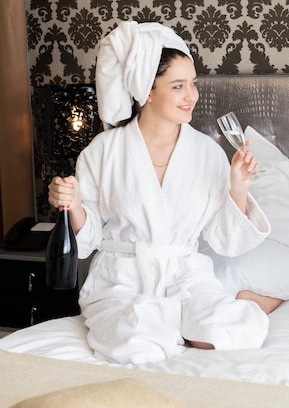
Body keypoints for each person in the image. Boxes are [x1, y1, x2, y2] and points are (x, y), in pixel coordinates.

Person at [48, 21, 271, 365]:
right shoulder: (103, 151)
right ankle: (169, 325)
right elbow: (88, 239)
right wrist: (74, 204)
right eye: (178, 86)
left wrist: (238, 186)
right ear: (147, 92)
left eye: (193, 84)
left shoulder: (207, 152)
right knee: (136, 343)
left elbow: (224, 240)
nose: (192, 96)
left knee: (239, 331)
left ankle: (179, 321)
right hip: (121, 281)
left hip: (186, 278)